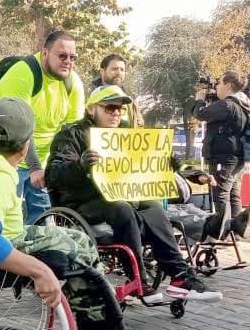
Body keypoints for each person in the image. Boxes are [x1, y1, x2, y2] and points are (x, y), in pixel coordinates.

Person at [0, 98, 149, 330]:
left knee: (77, 238)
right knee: (81, 248)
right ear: (25, 146)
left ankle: (89, 315)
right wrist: (39, 270)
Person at [46, 86, 222, 302]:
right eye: (110, 108)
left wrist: (169, 164)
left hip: (122, 194)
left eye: (120, 109)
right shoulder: (71, 135)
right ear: (92, 109)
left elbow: (145, 167)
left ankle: (180, 276)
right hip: (82, 201)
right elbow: (53, 175)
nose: (116, 113)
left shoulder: (127, 133)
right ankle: (137, 279)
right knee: (122, 208)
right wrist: (79, 165)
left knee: (153, 206)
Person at [0, 30, 85, 224]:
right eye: (62, 56)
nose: (68, 62)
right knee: (4, 219)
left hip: (43, 163)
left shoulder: (73, 83)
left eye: (72, 57)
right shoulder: (23, 73)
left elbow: (73, 131)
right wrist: (34, 166)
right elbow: (18, 127)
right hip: (8, 158)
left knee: (43, 220)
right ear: (45, 53)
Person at [192, 71, 250, 222]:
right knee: (233, 194)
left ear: (228, 85)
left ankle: (224, 228)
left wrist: (199, 100)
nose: (216, 86)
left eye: (219, 83)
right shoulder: (242, 104)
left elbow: (200, 114)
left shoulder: (226, 105)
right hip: (237, 157)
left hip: (223, 158)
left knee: (221, 194)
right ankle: (236, 229)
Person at [92, 53, 143, 128]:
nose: (119, 73)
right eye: (115, 69)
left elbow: (139, 126)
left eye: (122, 70)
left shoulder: (130, 100)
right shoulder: (89, 96)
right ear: (102, 71)